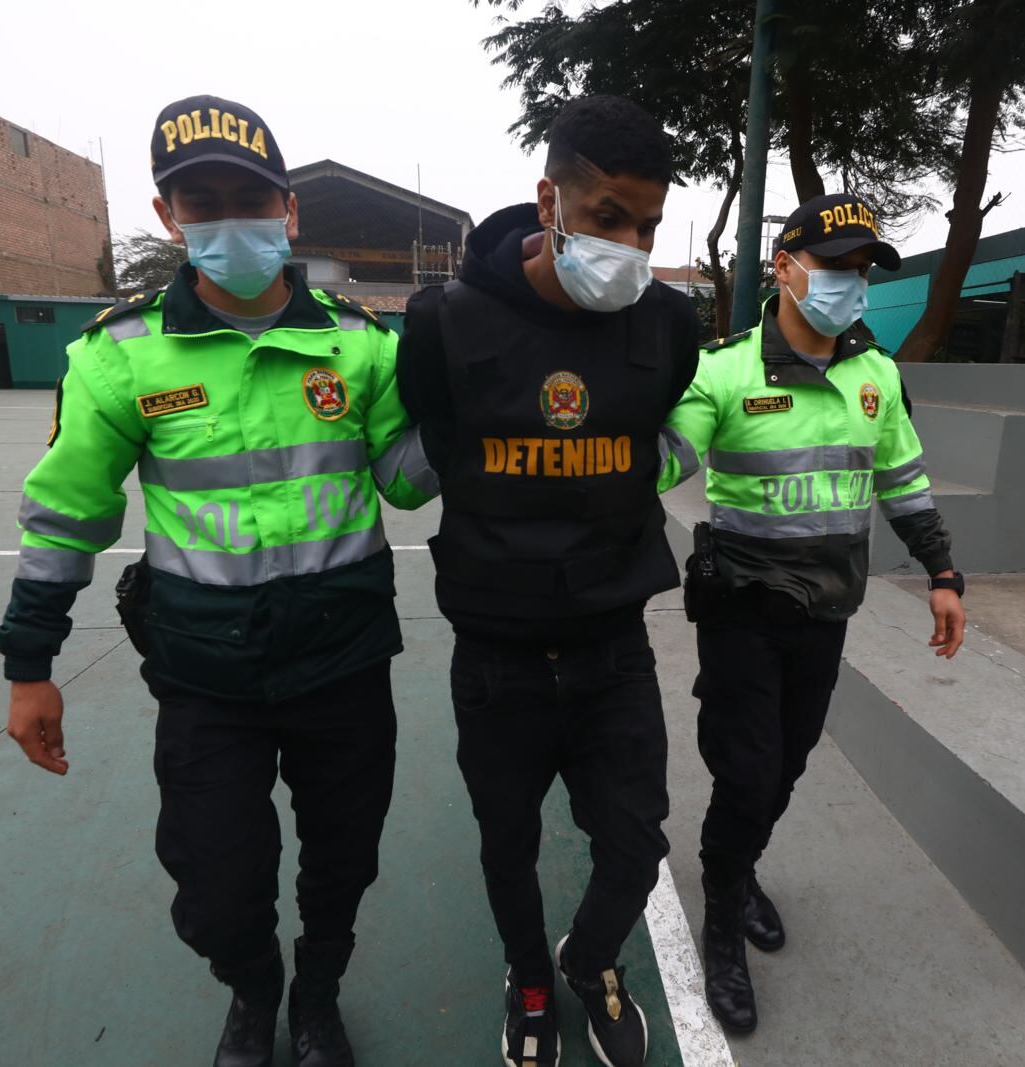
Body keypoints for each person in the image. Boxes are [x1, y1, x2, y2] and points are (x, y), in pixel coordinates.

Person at [0, 95, 434, 1067]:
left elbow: (405, 483)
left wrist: (452, 400)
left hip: (343, 661)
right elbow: (68, 513)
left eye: (251, 197)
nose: (229, 219)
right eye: (205, 201)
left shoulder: (361, 343)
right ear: (169, 216)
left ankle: (315, 997)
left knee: (342, 859)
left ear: (288, 210)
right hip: (206, 675)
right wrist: (30, 661)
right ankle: (252, 987)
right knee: (217, 882)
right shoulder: (120, 354)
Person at [395, 95, 699, 1067]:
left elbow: (664, 431)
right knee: (508, 846)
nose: (629, 242)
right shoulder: (445, 323)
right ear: (549, 201)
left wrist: (627, 475)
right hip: (497, 656)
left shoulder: (666, 324)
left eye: (647, 225)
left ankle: (588, 957)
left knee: (635, 842)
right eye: (608, 216)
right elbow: (420, 452)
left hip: (614, 650)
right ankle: (529, 978)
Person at [658, 192, 967, 1033]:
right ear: (785, 269)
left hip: (827, 608)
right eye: (836, 267)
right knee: (748, 766)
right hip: (742, 607)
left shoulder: (877, 376)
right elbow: (660, 458)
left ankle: (742, 864)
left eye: (862, 270)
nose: (851, 285)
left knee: (788, 762)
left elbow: (902, 479)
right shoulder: (723, 369)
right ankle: (723, 918)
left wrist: (942, 569)